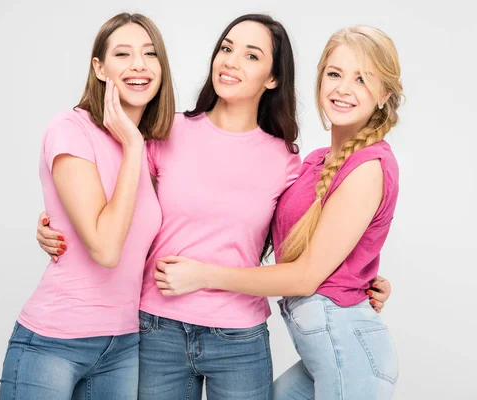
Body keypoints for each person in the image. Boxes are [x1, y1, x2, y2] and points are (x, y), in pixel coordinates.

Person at [36, 15, 392, 400]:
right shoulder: (163, 133)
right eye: (226, 48)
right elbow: (115, 209)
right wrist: (53, 226)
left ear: (273, 78)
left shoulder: (287, 160)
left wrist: (360, 280)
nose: (231, 61)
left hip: (240, 338)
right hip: (159, 330)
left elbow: (308, 240)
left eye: (251, 56)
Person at [154, 25, 403, 400]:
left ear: (384, 93)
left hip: (347, 349)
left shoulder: (368, 165)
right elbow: (306, 242)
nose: (343, 89)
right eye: (334, 74)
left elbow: (305, 277)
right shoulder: (315, 162)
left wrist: (201, 275)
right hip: (325, 350)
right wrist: (358, 275)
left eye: (362, 79)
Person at [0, 13, 175, 399]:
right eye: (123, 54)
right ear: (99, 67)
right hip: (53, 342)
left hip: (123, 344)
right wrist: (131, 145)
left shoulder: (152, 147)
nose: (139, 65)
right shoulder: (70, 129)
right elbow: (106, 248)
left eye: (150, 53)